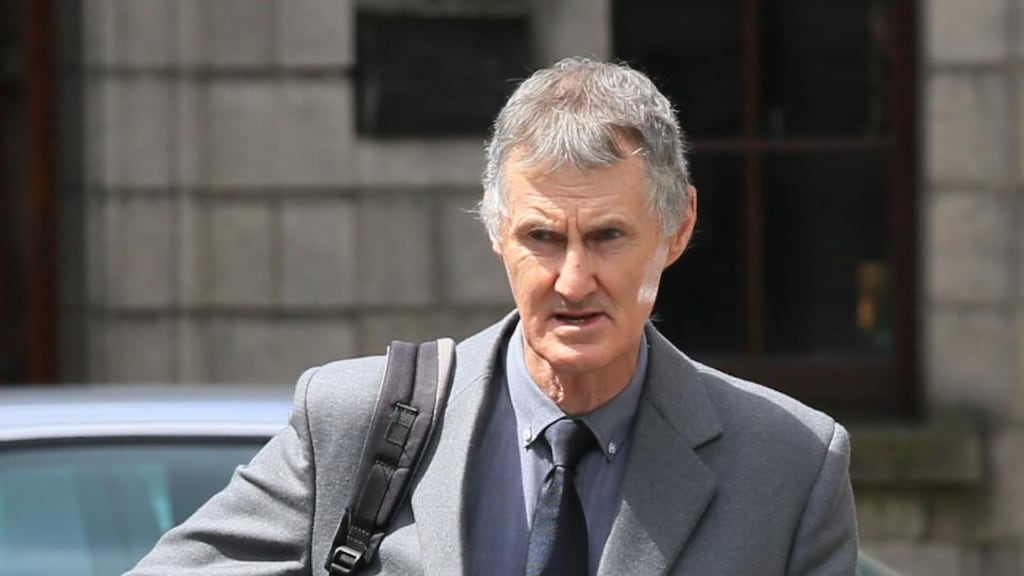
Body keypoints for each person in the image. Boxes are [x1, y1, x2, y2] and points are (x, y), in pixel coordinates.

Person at [127, 58, 859, 576]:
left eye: (607, 237)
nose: (573, 280)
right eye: (543, 238)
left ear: (677, 227)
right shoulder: (353, 422)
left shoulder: (789, 465)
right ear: (495, 232)